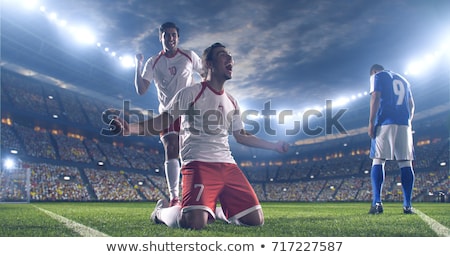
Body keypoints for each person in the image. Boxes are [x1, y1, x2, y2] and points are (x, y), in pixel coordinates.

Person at [113, 42, 289, 229]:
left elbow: (241, 136)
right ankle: (160, 212)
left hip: (228, 165)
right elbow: (162, 121)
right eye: (223, 55)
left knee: (255, 220)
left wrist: (274, 146)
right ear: (209, 64)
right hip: (198, 163)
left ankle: (215, 211)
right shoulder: (191, 93)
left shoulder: (232, 101)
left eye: (230, 56)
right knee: (193, 223)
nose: (230, 59)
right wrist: (129, 128)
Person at [134, 22, 203, 206]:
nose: (170, 38)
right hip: (167, 113)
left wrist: (202, 92)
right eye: (166, 35)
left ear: (178, 38)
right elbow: (141, 89)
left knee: (191, 153)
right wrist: (138, 65)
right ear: (160, 37)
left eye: (173, 35)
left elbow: (206, 74)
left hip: (189, 112)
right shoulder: (153, 62)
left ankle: (196, 195)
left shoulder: (189, 56)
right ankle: (174, 197)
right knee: (171, 147)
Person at [367, 64, 416, 214]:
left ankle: (377, 203)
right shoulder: (404, 80)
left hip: (385, 122)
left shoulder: (378, 76)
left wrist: (371, 122)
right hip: (404, 124)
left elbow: (375, 96)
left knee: (378, 159)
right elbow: (411, 104)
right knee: (406, 163)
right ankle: (407, 205)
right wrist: (408, 120)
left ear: (374, 72)